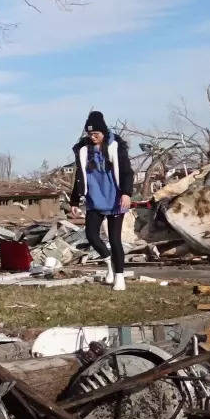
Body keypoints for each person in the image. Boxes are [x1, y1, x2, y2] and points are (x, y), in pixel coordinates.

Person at [69, 111, 134, 291]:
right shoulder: (83, 150)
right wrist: (74, 201)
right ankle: (108, 265)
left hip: (115, 199)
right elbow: (79, 177)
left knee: (114, 240)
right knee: (91, 235)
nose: (93, 137)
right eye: (90, 134)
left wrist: (126, 193)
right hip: (94, 200)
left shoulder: (115, 147)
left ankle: (119, 277)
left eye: (96, 134)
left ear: (103, 132)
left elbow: (127, 172)